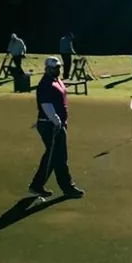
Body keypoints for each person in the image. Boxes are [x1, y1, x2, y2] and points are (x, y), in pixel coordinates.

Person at [29, 57, 84, 199]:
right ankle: (66, 187)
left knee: (54, 156)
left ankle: (38, 185)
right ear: (47, 68)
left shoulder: (56, 80)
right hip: (51, 124)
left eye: (58, 67)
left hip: (55, 123)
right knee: (58, 156)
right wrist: (56, 120)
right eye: (54, 68)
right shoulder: (45, 83)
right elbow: (46, 105)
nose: (57, 70)